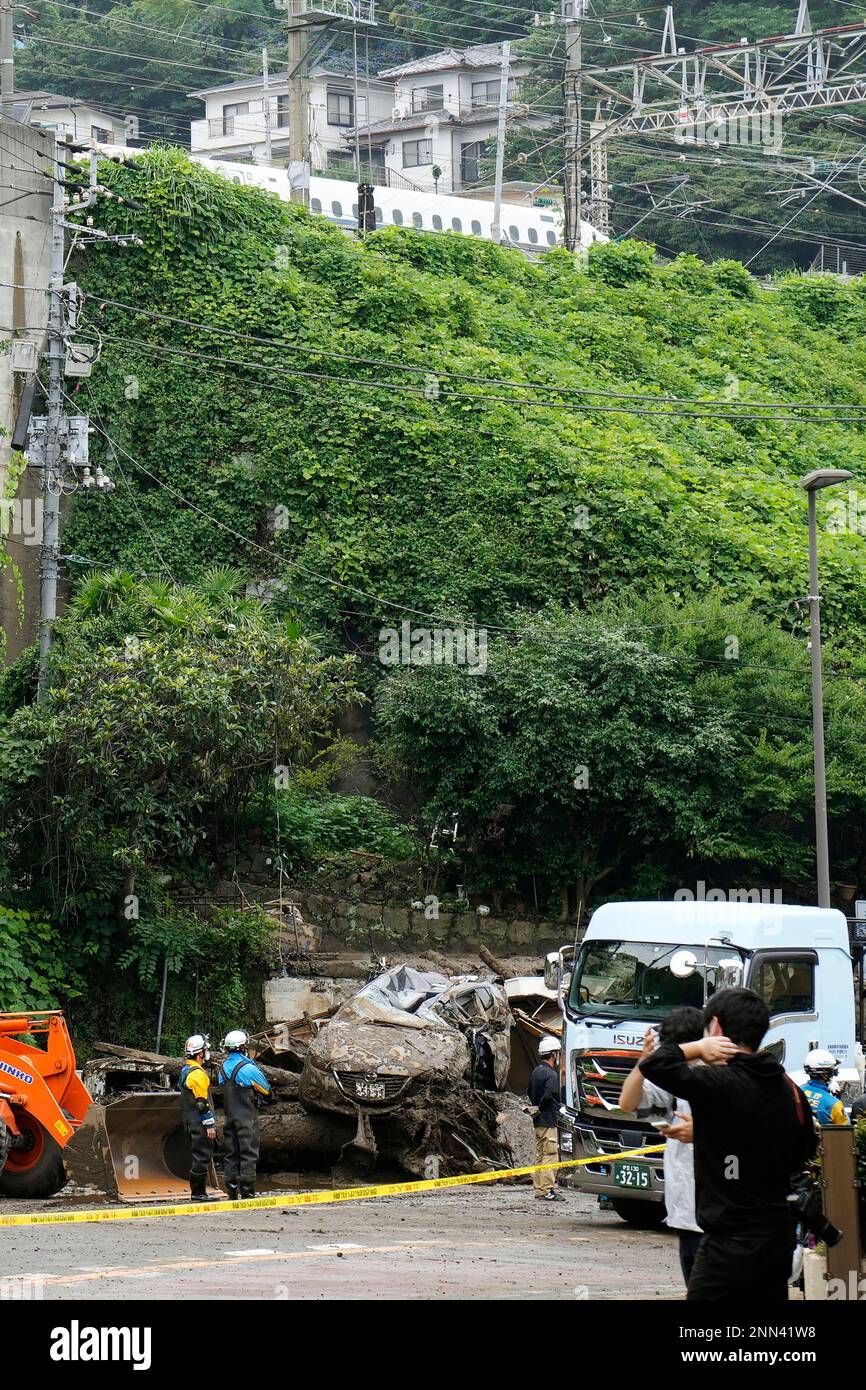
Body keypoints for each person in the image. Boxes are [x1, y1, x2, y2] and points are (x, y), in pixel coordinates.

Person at [640, 986, 817, 1303]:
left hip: (729, 1242)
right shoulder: (789, 1088)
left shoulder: (720, 1083)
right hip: (778, 1236)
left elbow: (655, 1065)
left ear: (717, 1028)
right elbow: (805, 1148)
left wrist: (697, 1047)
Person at [619, 1006, 704, 1285]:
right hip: (685, 1215)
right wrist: (643, 1063)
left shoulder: (723, 1077)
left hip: (718, 1218)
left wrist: (704, 1131)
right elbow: (628, 1103)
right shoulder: (673, 1083)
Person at [218, 1029, 273, 1200]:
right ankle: (248, 1193)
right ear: (243, 1047)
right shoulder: (248, 1068)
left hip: (229, 1118)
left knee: (231, 1154)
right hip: (247, 1119)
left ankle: (232, 1193)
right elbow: (266, 1091)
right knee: (248, 1155)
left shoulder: (222, 1069)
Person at [179, 1033, 216, 1203]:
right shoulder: (198, 1074)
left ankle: (198, 1191)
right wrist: (209, 1124)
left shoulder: (185, 1070)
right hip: (198, 1122)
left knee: (197, 1154)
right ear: (200, 1053)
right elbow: (202, 1103)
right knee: (202, 1155)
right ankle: (198, 1192)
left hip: (188, 1120)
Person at [528, 1035, 564, 1202]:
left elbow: (528, 1093)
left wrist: (536, 1110)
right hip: (548, 1120)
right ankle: (548, 1190)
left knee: (540, 1155)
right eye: (558, 1053)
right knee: (550, 1155)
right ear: (553, 1054)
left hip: (537, 1121)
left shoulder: (536, 1071)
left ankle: (539, 1189)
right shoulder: (551, 1074)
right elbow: (549, 1095)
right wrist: (542, 1108)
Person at [801, 1049, 848, 1125]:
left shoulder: (796, 1092)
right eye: (832, 1072)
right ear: (825, 1075)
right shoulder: (834, 1103)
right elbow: (846, 1131)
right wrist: (837, 1099)